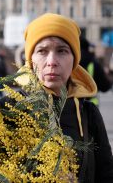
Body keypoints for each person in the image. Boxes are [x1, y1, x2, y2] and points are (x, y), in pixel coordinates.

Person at [17, 13, 113, 182]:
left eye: (62, 51)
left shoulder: (89, 114)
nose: (52, 61)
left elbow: (106, 174)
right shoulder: (8, 109)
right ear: (30, 59)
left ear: (74, 60)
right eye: (42, 51)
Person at [80, 36, 112, 105]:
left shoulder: (68, 61)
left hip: (69, 106)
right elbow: (105, 86)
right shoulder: (93, 62)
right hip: (90, 106)